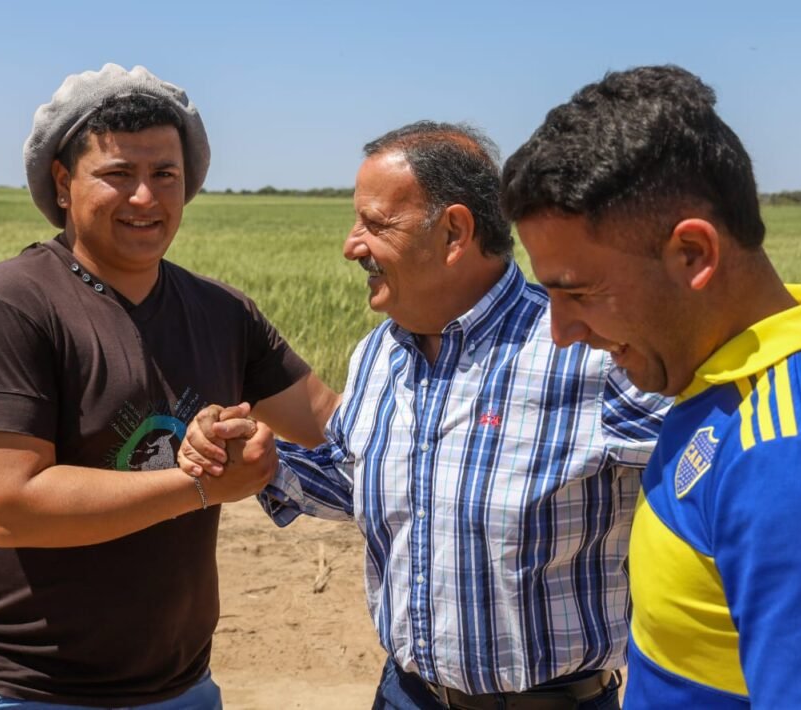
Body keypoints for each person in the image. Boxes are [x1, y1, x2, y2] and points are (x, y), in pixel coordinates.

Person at [181, 121, 668, 709]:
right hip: (406, 695)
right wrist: (262, 462)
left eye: (375, 223)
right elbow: (358, 473)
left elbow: (726, 490)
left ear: (454, 232)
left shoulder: (589, 351)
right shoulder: (380, 354)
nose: (351, 245)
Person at [0, 64, 336, 708]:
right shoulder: (9, 303)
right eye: (118, 174)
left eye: (164, 175)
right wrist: (202, 484)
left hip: (179, 687)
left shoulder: (222, 313)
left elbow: (328, 424)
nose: (145, 197)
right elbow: (10, 506)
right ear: (63, 183)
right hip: (21, 688)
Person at [500, 65, 801, 707]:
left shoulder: (793, 464)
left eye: (580, 292)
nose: (560, 331)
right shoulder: (725, 385)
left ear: (694, 255)